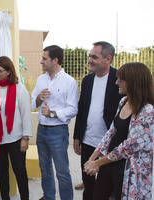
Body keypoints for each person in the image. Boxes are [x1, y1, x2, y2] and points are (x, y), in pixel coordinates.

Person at [84, 62, 154, 200]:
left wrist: (98, 163)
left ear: (133, 82)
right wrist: (92, 158)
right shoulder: (123, 101)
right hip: (108, 164)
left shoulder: (147, 110)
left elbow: (129, 147)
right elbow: (111, 132)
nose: (117, 83)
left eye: (120, 79)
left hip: (128, 170)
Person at [73, 41, 122, 200]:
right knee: (88, 184)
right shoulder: (87, 80)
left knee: (107, 187)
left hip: (110, 143)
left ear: (107, 59)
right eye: (89, 56)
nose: (90, 60)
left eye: (94, 57)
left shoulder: (119, 79)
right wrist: (77, 136)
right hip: (87, 141)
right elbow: (82, 110)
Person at [32, 45, 78, 200]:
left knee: (62, 171)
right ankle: (48, 196)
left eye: (44, 58)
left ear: (55, 60)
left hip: (58, 132)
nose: (41, 62)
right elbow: (33, 103)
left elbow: (73, 109)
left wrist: (53, 113)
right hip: (41, 130)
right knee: (44, 169)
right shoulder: (41, 79)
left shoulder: (69, 82)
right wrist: (39, 98)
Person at [0, 56, 32, 200]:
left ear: (8, 72)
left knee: (20, 171)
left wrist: (25, 137)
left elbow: (26, 114)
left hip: (16, 138)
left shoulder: (19, 88)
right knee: (2, 173)